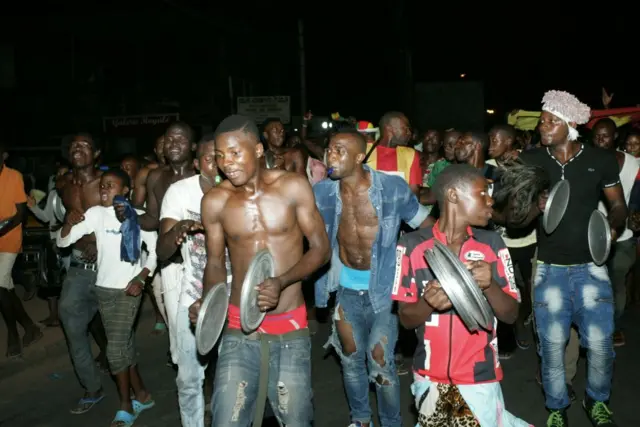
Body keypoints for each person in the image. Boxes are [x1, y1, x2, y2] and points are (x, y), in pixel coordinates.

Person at [188, 115, 330, 427]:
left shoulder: (292, 187)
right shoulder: (215, 201)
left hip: (289, 323)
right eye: (220, 156)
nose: (227, 163)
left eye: (235, 153)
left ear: (257, 149)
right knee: (227, 418)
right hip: (240, 326)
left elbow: (321, 248)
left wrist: (282, 281)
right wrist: (209, 303)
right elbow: (214, 262)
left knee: (296, 419)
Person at [516, 91, 625, 426]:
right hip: (549, 269)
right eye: (542, 119)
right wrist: (534, 205)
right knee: (551, 348)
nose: (542, 126)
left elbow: (617, 205)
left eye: (551, 121)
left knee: (601, 346)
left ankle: (597, 400)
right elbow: (513, 218)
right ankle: (556, 407)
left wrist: (612, 227)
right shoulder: (532, 160)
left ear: (571, 124)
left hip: (592, 267)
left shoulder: (601, 160)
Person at [392, 164, 530, 427]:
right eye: (482, 193)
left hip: (479, 377)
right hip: (429, 377)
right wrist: (427, 303)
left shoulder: (492, 245)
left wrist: (490, 286)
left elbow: (511, 315)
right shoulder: (411, 246)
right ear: (453, 195)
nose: (491, 200)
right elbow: (406, 319)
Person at [313, 130, 430, 427]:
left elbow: (426, 227)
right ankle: (361, 419)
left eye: (339, 150)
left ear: (359, 156)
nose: (331, 156)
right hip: (344, 287)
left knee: (380, 361)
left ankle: (391, 423)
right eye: (329, 149)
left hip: (385, 290)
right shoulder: (322, 192)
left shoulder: (392, 188)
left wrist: (417, 271)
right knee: (351, 358)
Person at [57, 169, 156, 426]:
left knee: (114, 350)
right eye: (102, 186)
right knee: (123, 347)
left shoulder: (139, 217)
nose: (103, 190)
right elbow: (65, 242)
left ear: (125, 191)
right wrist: (68, 222)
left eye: (110, 186)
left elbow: (155, 250)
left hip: (128, 291)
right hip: (103, 289)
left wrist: (142, 276)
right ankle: (143, 396)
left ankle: (125, 406)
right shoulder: (95, 214)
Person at [157, 134, 223, 427]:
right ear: (198, 163)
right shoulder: (179, 193)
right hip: (192, 296)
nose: (218, 166)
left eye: (224, 157)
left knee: (236, 379)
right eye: (211, 158)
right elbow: (162, 250)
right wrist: (178, 230)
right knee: (189, 380)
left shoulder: (242, 191)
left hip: (234, 299)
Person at [57, 132, 109, 413]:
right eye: (73, 145)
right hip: (78, 265)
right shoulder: (64, 183)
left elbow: (124, 221)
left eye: (85, 145)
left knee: (116, 332)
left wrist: (102, 246)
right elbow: (66, 220)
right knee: (71, 320)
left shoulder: (106, 183)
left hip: (109, 265)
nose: (77, 149)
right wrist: (67, 220)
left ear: (97, 153)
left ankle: (135, 389)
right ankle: (92, 387)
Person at [0, 141, 43, 359]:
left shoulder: (13, 176)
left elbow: (20, 215)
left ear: (4, 155)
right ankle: (30, 327)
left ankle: (13, 334)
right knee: (5, 288)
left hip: (9, 237)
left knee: (0, 285)